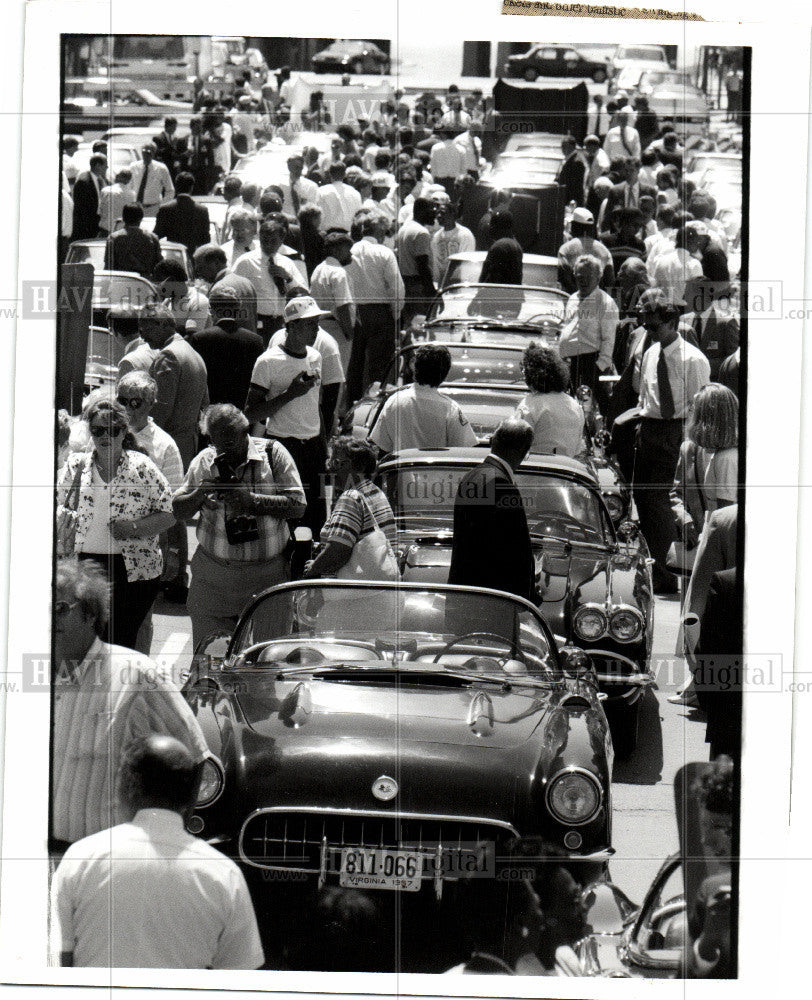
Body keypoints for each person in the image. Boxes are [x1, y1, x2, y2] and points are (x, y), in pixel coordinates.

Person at [50, 734, 264, 969]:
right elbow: (240, 977)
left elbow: (61, 961)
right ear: (191, 795)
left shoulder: (80, 858)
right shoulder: (224, 874)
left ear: (123, 789)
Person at [50, 562, 208, 849]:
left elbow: (195, 756)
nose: (48, 616)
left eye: (60, 608)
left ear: (90, 615)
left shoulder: (136, 675)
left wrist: (170, 840)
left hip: (108, 865)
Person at [173, 404, 306, 647]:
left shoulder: (273, 454)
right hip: (214, 580)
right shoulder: (204, 460)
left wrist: (253, 501)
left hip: (266, 578)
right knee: (209, 662)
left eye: (231, 444)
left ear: (246, 432)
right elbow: (178, 509)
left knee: (265, 660)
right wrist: (201, 493)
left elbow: (298, 505)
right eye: (217, 444)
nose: (224, 452)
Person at [56, 395, 175, 650]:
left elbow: (168, 514)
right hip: (85, 566)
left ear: (123, 432)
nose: (104, 437)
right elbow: (57, 503)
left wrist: (132, 529)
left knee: (120, 642)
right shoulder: (76, 465)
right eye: (97, 430)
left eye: (112, 430)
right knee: (87, 642)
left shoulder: (142, 467)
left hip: (133, 570)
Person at [634, 288, 711, 593]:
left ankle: (669, 573)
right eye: (646, 326)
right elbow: (645, 394)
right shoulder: (651, 353)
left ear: (672, 323)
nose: (649, 332)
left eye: (654, 326)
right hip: (650, 429)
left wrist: (688, 444)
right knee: (645, 501)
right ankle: (656, 566)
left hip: (676, 431)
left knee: (664, 502)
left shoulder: (693, 360)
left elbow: (699, 406)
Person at [245, 295, 333, 536]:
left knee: (316, 518)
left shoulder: (315, 357)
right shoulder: (267, 361)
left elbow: (317, 406)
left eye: (317, 324)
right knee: (287, 515)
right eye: (309, 324)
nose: (316, 330)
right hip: (284, 447)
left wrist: (324, 449)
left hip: (313, 447)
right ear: (291, 326)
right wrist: (290, 394)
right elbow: (251, 413)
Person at [116, 370, 185, 647]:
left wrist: (175, 552)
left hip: (144, 547)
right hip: (103, 544)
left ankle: (137, 686)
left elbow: (174, 506)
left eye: (137, 402)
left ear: (150, 403)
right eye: (123, 400)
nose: (128, 408)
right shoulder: (102, 432)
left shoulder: (164, 445)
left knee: (139, 624)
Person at [448, 418, 538, 604]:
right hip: (493, 602)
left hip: (464, 595)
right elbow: (517, 551)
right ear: (522, 452)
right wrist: (528, 599)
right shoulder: (501, 485)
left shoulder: (471, 476)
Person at [303, 436, 397, 580]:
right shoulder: (376, 493)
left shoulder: (351, 497)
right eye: (330, 462)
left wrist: (314, 567)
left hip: (355, 591)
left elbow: (338, 551)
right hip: (380, 586)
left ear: (360, 466)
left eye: (337, 463)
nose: (330, 469)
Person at [369, 343, 478, 454]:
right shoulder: (451, 409)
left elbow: (382, 446)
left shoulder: (394, 401)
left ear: (415, 368)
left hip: (401, 470)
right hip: (436, 470)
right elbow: (463, 450)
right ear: (445, 374)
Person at [139, 303, 210, 468]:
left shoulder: (168, 356)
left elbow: (159, 411)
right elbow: (204, 404)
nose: (143, 338)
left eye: (146, 331)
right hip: (188, 446)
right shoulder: (193, 353)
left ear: (163, 324)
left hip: (166, 449)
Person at [346, 208, 404, 404]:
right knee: (379, 364)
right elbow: (396, 286)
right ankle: (375, 404)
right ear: (379, 232)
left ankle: (352, 403)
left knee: (355, 363)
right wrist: (396, 313)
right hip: (380, 312)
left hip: (355, 312)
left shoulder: (349, 252)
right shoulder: (384, 252)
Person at [685, 757, 735, 976]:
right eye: (704, 825)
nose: (706, 840)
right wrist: (708, 941)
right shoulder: (712, 894)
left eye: (717, 827)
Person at [558, 254, 619, 404]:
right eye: (579, 277)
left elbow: (609, 339)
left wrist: (599, 367)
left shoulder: (605, 302)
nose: (583, 281)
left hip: (591, 365)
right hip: (569, 364)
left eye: (588, 277)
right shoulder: (572, 299)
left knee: (588, 410)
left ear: (598, 277)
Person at [189, 288, 264, 408]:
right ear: (238, 309)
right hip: (241, 411)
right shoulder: (256, 341)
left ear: (212, 310)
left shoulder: (200, 339)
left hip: (210, 410)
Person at [234, 217, 304, 344]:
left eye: (273, 241)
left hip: (280, 322)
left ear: (281, 240)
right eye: (264, 240)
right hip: (256, 323)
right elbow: (232, 289)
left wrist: (288, 278)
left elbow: (302, 292)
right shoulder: (246, 262)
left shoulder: (287, 263)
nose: (268, 245)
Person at [514, 344, 585, 457]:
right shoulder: (574, 405)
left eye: (524, 373)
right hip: (567, 470)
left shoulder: (529, 404)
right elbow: (577, 449)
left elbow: (516, 446)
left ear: (530, 374)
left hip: (538, 470)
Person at [309, 231, 356, 376]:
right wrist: (349, 334)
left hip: (319, 328)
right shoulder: (338, 273)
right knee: (337, 376)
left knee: (320, 376)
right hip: (337, 328)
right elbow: (342, 306)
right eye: (347, 250)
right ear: (336, 250)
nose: (350, 254)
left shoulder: (318, 269)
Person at [194, 243, 258, 334]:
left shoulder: (219, 288)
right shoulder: (247, 283)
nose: (199, 273)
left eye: (201, 268)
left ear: (216, 263)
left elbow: (217, 326)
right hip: (250, 343)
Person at [396, 196, 437, 325]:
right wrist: (431, 292)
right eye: (432, 211)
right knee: (421, 325)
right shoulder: (421, 232)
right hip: (418, 287)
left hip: (405, 284)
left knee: (410, 324)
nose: (435, 216)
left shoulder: (404, 229)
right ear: (421, 211)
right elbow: (422, 265)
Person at [153, 170, 211, 255]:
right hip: (193, 256)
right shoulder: (202, 210)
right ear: (191, 188)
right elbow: (205, 240)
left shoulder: (165, 209)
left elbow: (157, 235)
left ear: (176, 187)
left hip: (172, 255)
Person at [557, 207, 614, 292]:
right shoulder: (604, 251)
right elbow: (609, 280)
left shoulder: (565, 249)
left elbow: (564, 279)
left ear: (574, 226)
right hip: (597, 301)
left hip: (573, 300)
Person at [651, 222, 704, 309]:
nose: (698, 245)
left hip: (662, 308)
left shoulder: (661, 260)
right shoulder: (693, 264)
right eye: (696, 242)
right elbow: (697, 292)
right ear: (690, 242)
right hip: (683, 309)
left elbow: (655, 285)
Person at [152, 257, 211, 336]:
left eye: (159, 283)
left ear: (171, 280)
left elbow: (192, 338)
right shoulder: (168, 302)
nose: (158, 288)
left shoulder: (197, 301)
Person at [103, 202, 163, 278]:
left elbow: (108, 267)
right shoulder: (152, 238)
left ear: (123, 218)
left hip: (120, 282)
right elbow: (159, 266)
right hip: (145, 283)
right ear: (141, 218)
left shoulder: (114, 238)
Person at [431, 192, 475, 284]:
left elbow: (465, 263)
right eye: (438, 213)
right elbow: (436, 264)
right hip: (442, 284)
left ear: (452, 215)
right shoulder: (436, 237)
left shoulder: (465, 235)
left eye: (442, 213)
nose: (439, 216)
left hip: (460, 283)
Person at [316, 161, 363, 234]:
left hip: (328, 234)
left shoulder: (321, 191)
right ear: (344, 175)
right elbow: (358, 216)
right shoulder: (355, 192)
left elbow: (318, 215)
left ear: (330, 174)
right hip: (349, 234)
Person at [71, 153, 108, 239]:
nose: (107, 167)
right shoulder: (83, 182)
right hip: (86, 228)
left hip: (97, 225)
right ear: (98, 165)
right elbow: (81, 209)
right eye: (105, 165)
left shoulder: (102, 180)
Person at [128, 143, 174, 210]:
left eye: (148, 152)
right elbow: (129, 187)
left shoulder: (161, 168)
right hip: (135, 208)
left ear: (153, 153)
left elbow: (170, 190)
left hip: (153, 207)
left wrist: (162, 205)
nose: (145, 155)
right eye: (143, 152)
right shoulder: (133, 167)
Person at [97, 169, 135, 235]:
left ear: (118, 177)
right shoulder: (132, 194)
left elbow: (99, 211)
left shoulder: (105, 190)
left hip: (105, 228)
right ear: (128, 180)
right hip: (121, 230)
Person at [556, 135, 586, 206]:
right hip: (565, 198)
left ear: (572, 146)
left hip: (571, 201)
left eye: (565, 146)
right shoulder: (567, 159)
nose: (562, 149)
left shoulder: (576, 162)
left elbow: (575, 186)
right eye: (562, 146)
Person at [153, 116, 185, 180]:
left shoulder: (177, 138)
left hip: (174, 170)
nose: (175, 129)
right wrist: (171, 145)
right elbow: (158, 153)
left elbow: (178, 153)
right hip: (163, 170)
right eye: (174, 126)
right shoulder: (158, 138)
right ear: (168, 126)